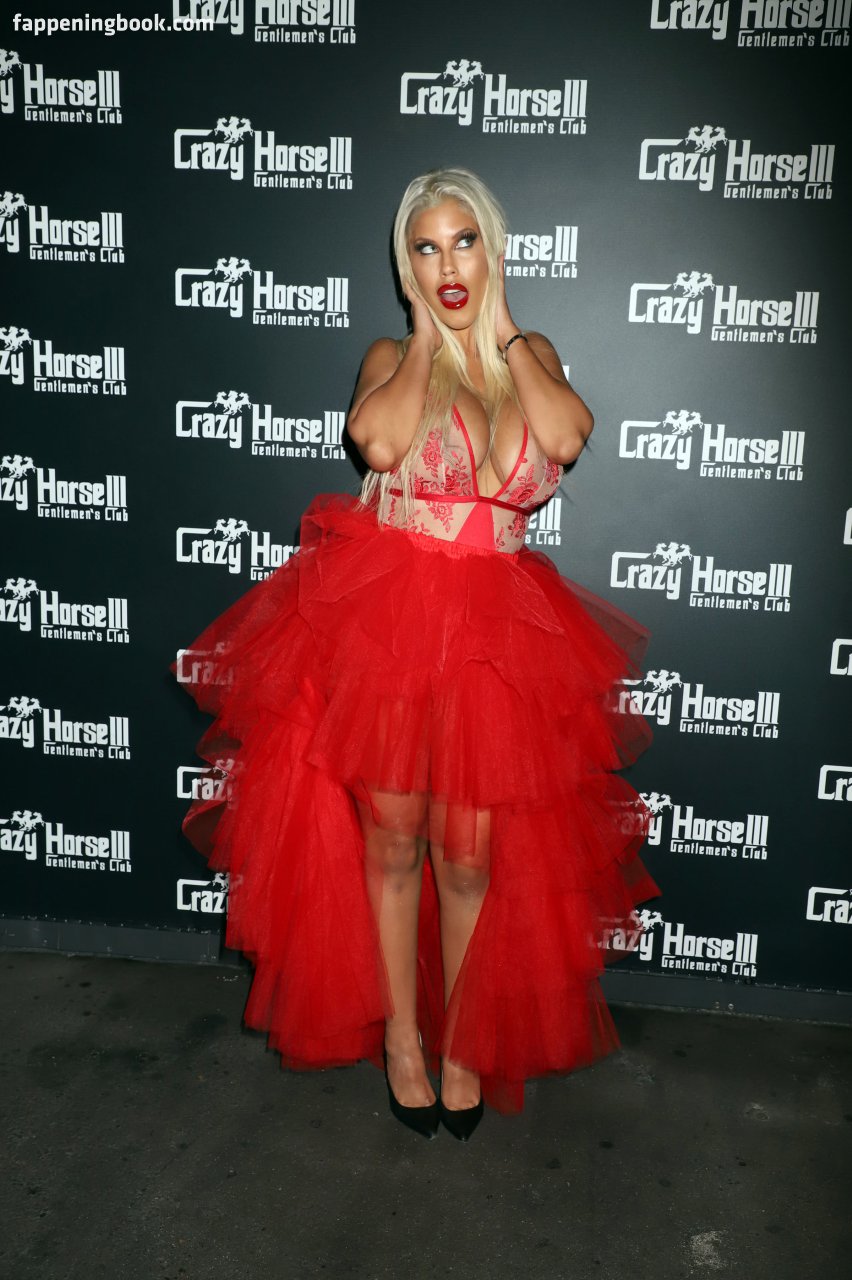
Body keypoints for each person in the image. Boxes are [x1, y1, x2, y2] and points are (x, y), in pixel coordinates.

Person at [170, 167, 661, 1142]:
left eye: (464, 242)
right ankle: (402, 1038)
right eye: (426, 248)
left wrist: (499, 327)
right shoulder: (392, 356)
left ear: (493, 249)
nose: (448, 264)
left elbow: (567, 436)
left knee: (469, 858)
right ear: (406, 266)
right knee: (393, 842)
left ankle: (464, 1044)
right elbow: (380, 444)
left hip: (498, 642)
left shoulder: (533, 355)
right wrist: (432, 338)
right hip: (392, 628)